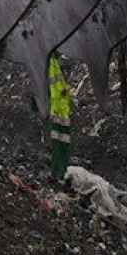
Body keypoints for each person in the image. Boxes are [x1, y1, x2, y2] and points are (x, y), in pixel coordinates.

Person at [46, 52, 72, 181]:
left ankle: (60, 173)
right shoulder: (51, 64)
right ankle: (57, 174)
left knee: (63, 147)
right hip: (58, 113)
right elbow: (54, 91)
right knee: (58, 147)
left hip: (63, 114)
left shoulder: (55, 64)